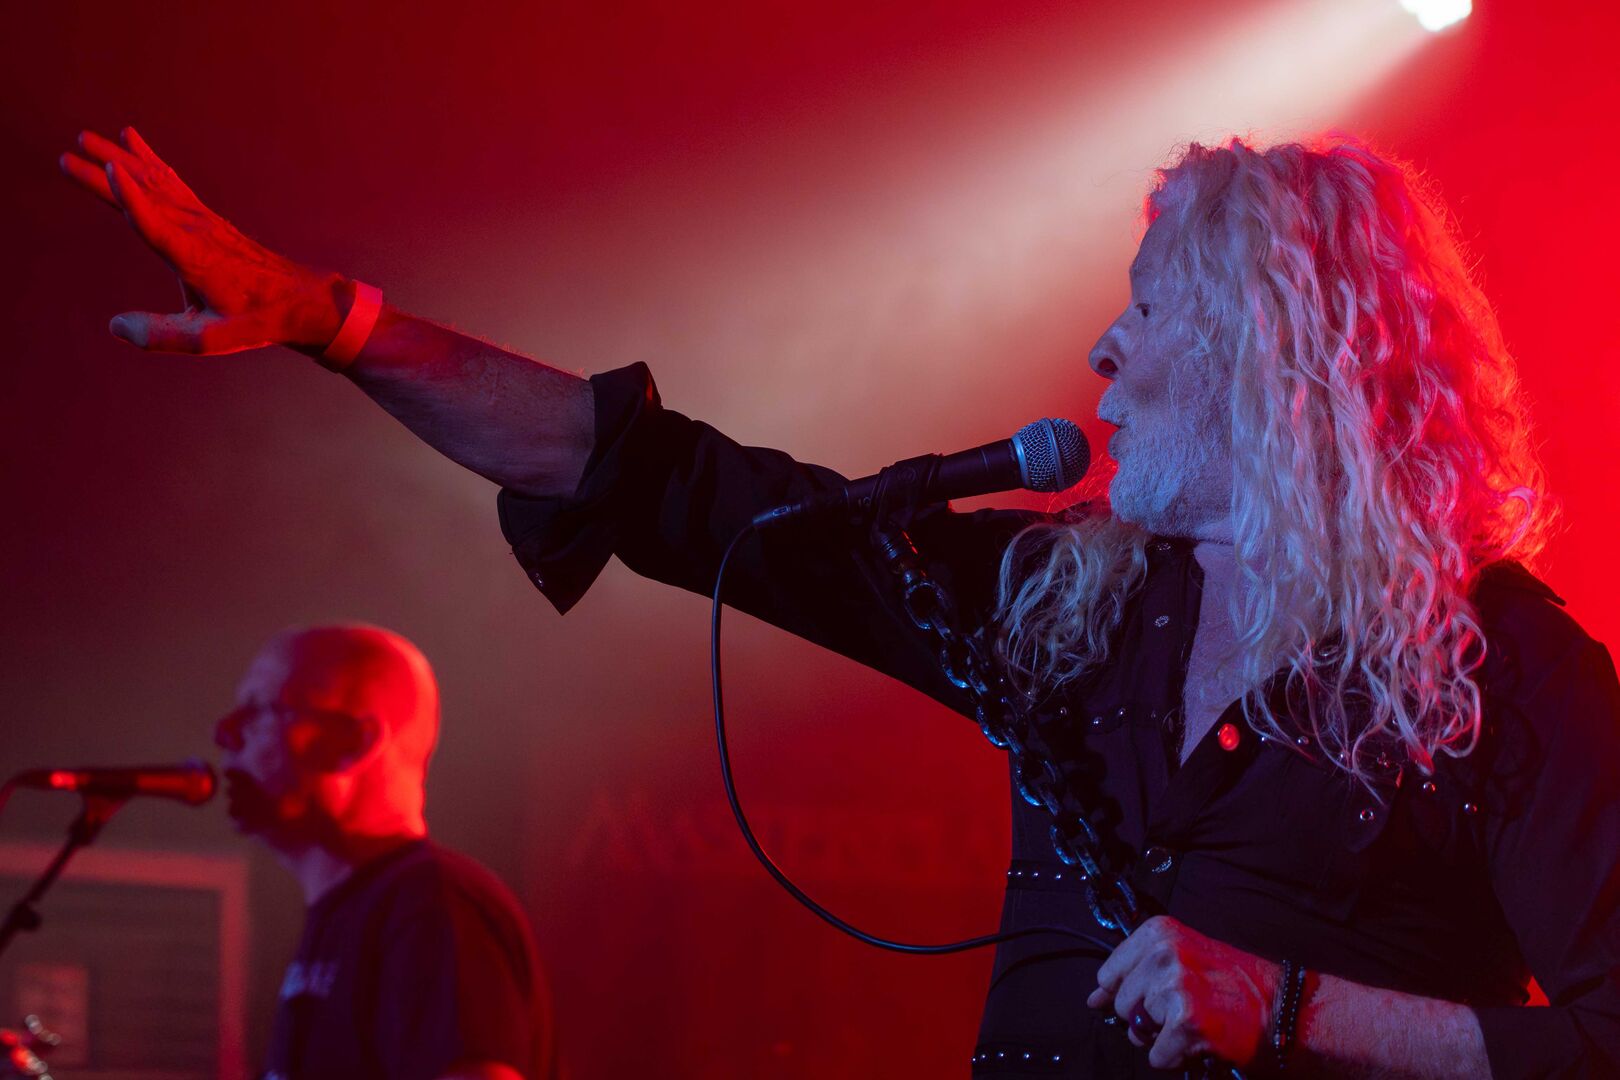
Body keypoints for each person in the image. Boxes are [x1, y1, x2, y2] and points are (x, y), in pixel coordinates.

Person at [61, 127, 1620, 1077]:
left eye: (1149, 310)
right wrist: (336, 324)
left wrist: (1293, 1010)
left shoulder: (1500, 668)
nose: (1105, 349)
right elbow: (664, 479)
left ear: (1277, 353)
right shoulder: (1072, 604)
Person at [213, 623, 556, 1080]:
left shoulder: (432, 907)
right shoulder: (348, 915)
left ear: (355, 743)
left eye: (260, 711)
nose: (225, 733)